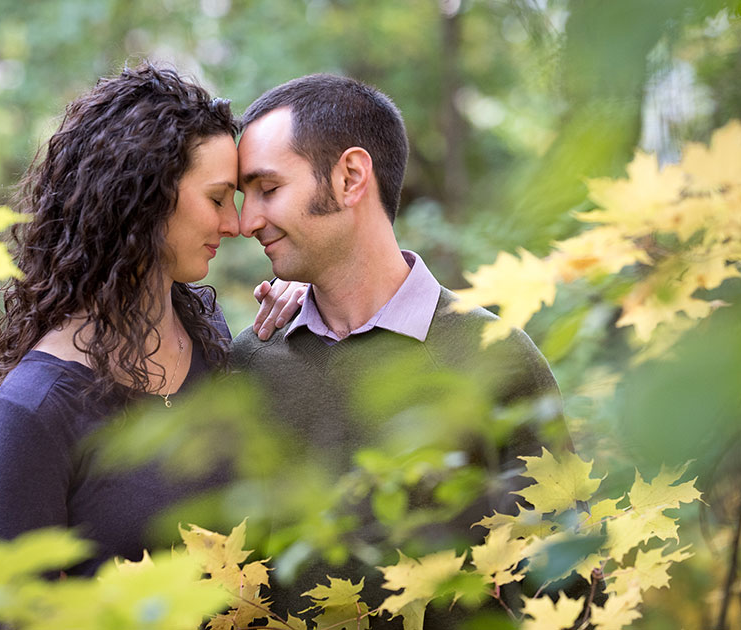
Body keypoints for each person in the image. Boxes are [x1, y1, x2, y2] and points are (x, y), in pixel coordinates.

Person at [231, 74, 566, 626]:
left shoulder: (497, 357)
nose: (247, 222)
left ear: (350, 178)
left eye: (268, 189)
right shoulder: (253, 361)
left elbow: (561, 585)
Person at [0, 63, 302, 581]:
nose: (235, 223)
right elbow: (21, 616)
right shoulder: (35, 407)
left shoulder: (206, 329)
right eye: (217, 198)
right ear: (141, 198)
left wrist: (313, 297)